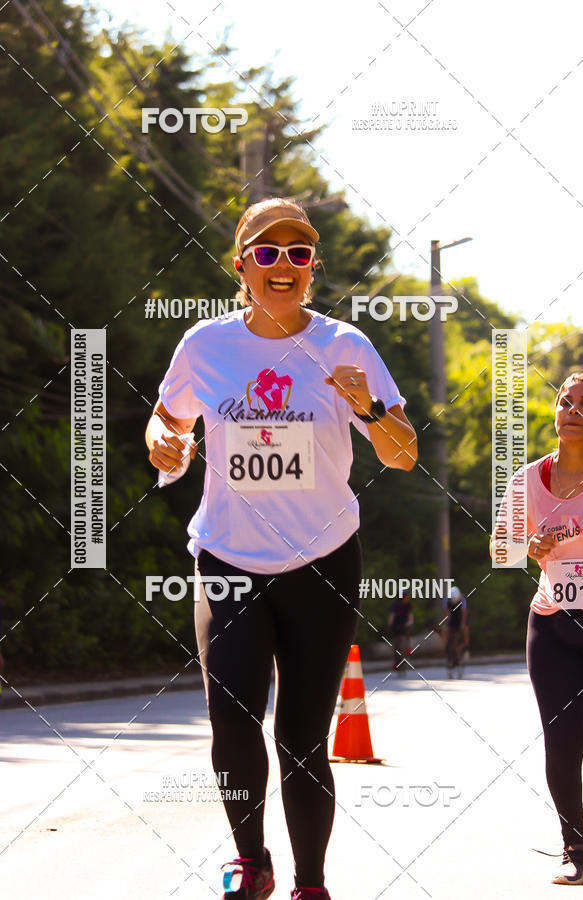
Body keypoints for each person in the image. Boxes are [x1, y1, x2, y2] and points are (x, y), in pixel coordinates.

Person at [145, 197, 418, 900]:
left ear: (312, 269)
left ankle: (311, 883)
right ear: (241, 267)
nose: (283, 265)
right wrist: (162, 441)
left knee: (302, 736)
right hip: (229, 556)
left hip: (322, 561)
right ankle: (251, 861)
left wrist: (371, 410)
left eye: (299, 254)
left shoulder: (345, 346)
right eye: (267, 252)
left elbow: (403, 455)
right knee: (232, 712)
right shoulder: (205, 346)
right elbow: (165, 421)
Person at [490, 372, 583, 886]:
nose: (573, 411)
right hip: (552, 623)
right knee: (562, 745)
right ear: (555, 414)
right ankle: (575, 851)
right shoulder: (528, 479)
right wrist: (527, 546)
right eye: (565, 402)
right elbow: (499, 549)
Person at [442, 586, 467, 679]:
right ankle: (445, 648)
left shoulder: (463, 600)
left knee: (465, 631)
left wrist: (462, 625)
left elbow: (464, 613)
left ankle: (464, 647)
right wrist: (445, 625)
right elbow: (445, 613)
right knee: (446, 633)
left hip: (460, 619)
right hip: (451, 620)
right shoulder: (446, 600)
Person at [387, 588, 414, 675]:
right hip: (396, 627)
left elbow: (410, 616)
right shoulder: (395, 605)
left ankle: (406, 657)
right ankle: (396, 662)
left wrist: (410, 623)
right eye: (406, 597)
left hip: (405, 628)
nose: (407, 598)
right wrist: (389, 625)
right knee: (396, 646)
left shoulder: (408, 605)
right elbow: (392, 615)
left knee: (404, 645)